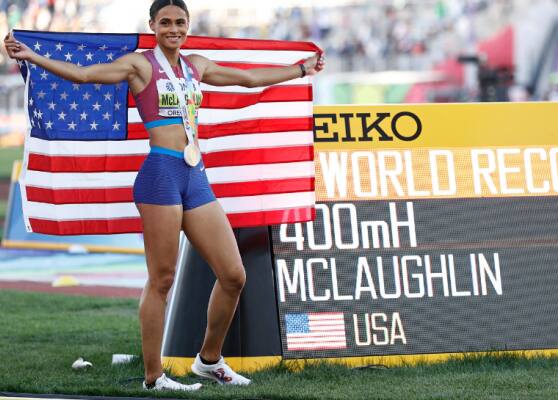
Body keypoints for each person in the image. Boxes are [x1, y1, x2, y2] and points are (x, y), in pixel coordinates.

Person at [3, 0, 324, 391]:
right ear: (153, 25)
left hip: (195, 175)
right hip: (160, 176)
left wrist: (300, 70)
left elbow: (248, 78)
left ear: (188, 25)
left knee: (233, 275)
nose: (174, 28)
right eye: (166, 22)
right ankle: (154, 377)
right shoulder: (140, 65)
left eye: (180, 22)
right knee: (162, 279)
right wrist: (33, 56)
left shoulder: (196, 66)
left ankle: (209, 361)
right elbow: (84, 75)